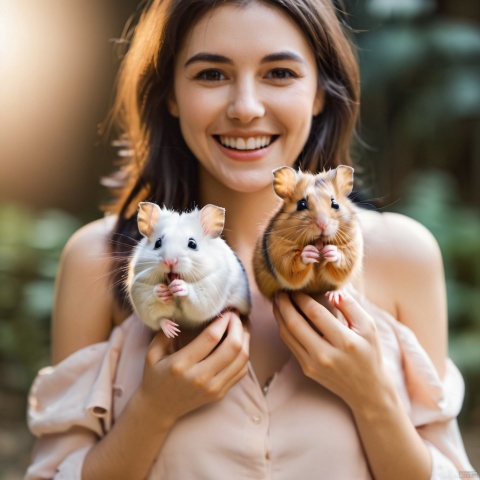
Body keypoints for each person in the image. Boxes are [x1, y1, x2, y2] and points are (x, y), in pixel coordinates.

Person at [26, 0, 474, 478]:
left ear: (321, 92)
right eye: (211, 75)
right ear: (171, 93)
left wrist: (372, 397)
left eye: (279, 73)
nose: (245, 108)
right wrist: (152, 411)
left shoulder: (404, 256)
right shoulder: (99, 261)